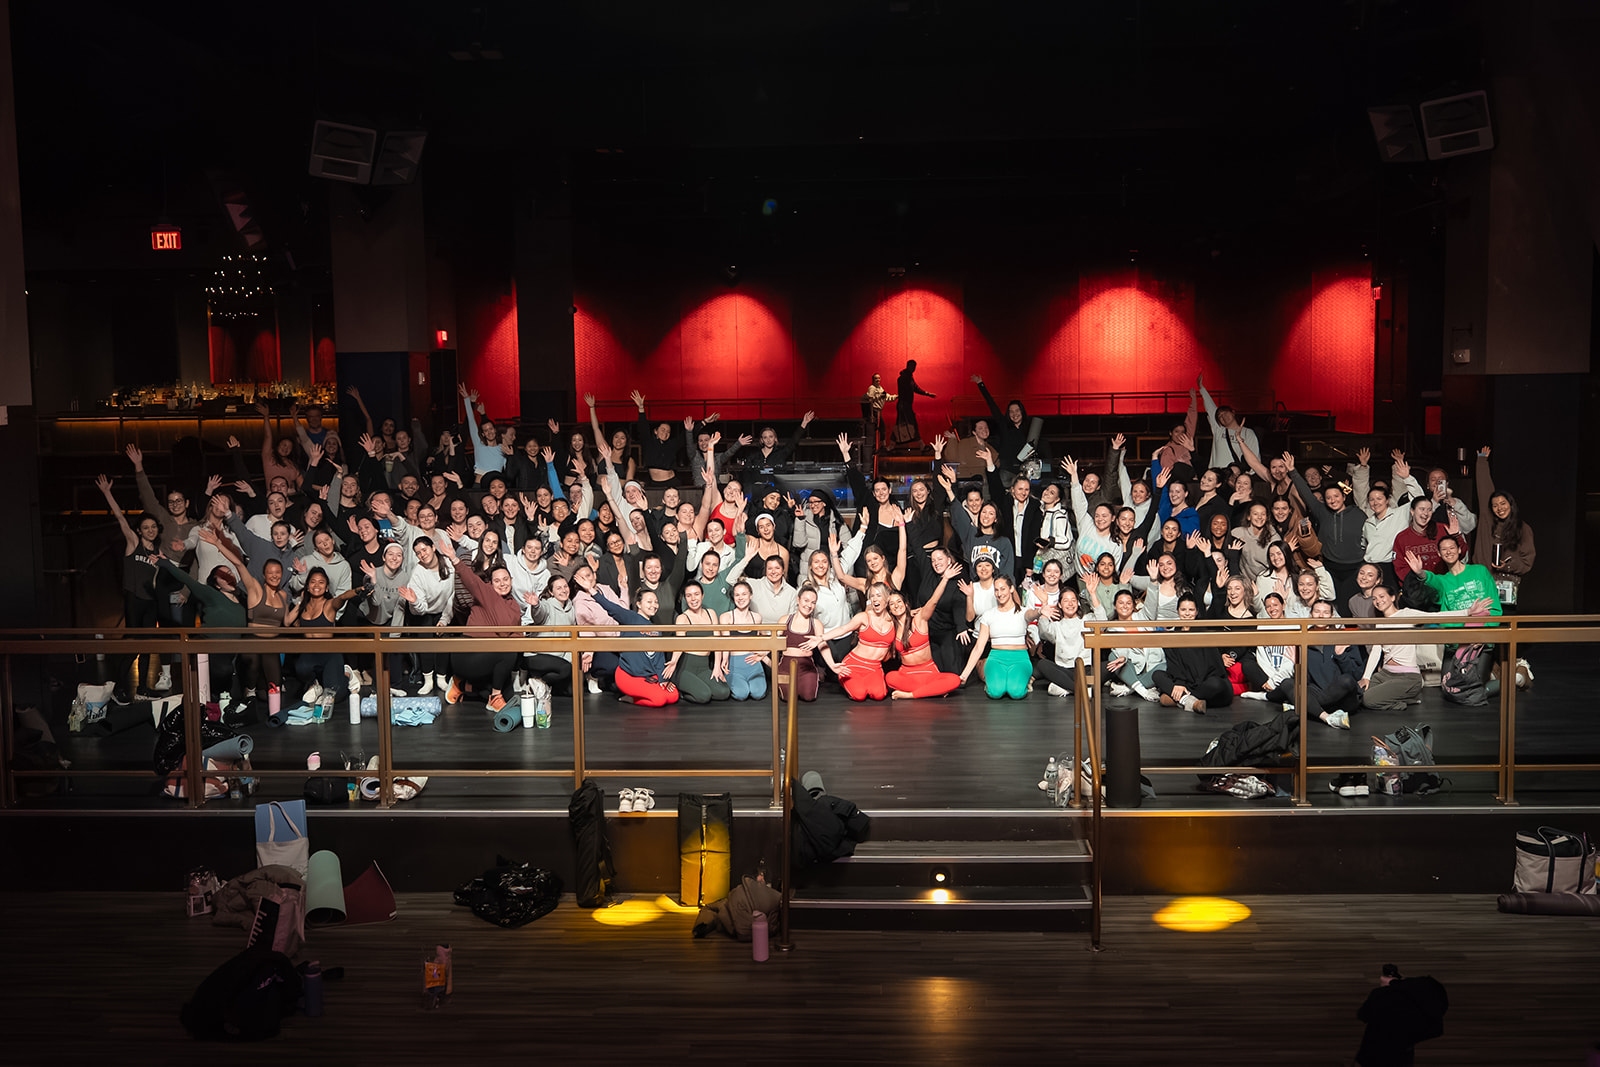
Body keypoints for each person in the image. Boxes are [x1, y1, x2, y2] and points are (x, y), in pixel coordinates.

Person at [95, 474, 165, 700]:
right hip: (134, 600)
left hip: (151, 603)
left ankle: (143, 689)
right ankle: (117, 689)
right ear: (139, 531)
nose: (150, 530)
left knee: (147, 648)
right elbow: (120, 518)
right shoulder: (134, 544)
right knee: (133, 647)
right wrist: (107, 493)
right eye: (146, 527)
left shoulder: (159, 552)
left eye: (153, 527)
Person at [433, 538, 524, 713]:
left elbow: (516, 634)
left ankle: (462, 686)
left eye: (505, 579)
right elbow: (471, 581)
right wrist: (454, 558)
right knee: (508, 652)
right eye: (497, 580)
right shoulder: (486, 593)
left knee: (507, 691)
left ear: (511, 580)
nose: (502, 583)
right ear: (490, 583)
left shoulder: (514, 605)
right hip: (467, 654)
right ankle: (494, 697)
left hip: (490, 656)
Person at [884, 565, 965, 699]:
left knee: (955, 680)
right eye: (892, 604)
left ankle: (911, 694)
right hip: (906, 675)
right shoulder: (891, 626)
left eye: (899, 601)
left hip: (928, 673)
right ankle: (931, 691)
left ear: (906, 604)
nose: (896, 605)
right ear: (890, 609)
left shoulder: (919, 619)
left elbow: (933, 602)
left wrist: (945, 579)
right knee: (890, 677)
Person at [806, 582, 897, 702]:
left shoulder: (893, 620)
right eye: (872, 596)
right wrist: (821, 638)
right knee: (859, 695)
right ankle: (846, 679)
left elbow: (906, 617)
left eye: (879, 595)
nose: (875, 599)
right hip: (855, 665)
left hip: (874, 667)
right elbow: (843, 629)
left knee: (879, 695)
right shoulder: (864, 617)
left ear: (887, 598)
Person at [1472, 446, 1534, 611]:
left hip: (1506, 588)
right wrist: (1481, 462)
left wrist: (1506, 565)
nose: (1499, 508)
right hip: (1482, 585)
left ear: (1510, 504)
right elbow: (1484, 492)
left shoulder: (1522, 529)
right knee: (1480, 625)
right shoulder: (1487, 523)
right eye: (1495, 505)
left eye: (1503, 503)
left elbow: (1527, 563)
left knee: (1506, 623)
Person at [1150, 595, 1233, 713]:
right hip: (1185, 683)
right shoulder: (1172, 636)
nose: (1187, 614)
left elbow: (1213, 667)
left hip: (1205, 683)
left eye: (1191, 610)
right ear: (1178, 611)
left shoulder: (1204, 632)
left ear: (1196, 611)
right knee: (1157, 675)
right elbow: (1173, 665)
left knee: (1216, 684)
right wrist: (1180, 683)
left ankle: (1182, 699)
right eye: (1183, 610)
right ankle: (1190, 702)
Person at [1355, 965, 1449, 1067]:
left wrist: (1385, 990)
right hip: (1404, 1051)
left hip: (1375, 1051)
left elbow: (1363, 1015)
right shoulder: (1426, 995)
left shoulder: (1382, 995)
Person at [957, 574, 1032, 699]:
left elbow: (1032, 614)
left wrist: (1041, 610)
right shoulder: (988, 615)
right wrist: (964, 676)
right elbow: (978, 647)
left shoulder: (1023, 612)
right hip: (996, 657)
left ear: (1011, 589)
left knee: (1016, 692)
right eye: (996, 590)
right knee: (995, 692)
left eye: (1003, 589)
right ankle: (991, 677)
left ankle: (1024, 680)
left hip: (1019, 657)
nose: (999, 593)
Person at [664, 581, 732, 705]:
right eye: (689, 595)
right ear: (685, 598)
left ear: (702, 595)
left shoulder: (711, 614)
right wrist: (673, 662)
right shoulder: (682, 618)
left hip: (704, 667)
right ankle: (682, 692)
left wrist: (717, 667)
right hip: (686, 668)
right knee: (704, 695)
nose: (693, 598)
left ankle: (697, 687)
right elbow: (680, 644)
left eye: (696, 594)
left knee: (723, 692)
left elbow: (717, 642)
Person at [1197, 372, 1259, 470]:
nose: (1223, 417)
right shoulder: (1219, 430)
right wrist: (1202, 388)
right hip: (1218, 474)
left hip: (1237, 474)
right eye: (1220, 416)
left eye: (1225, 413)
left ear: (1233, 412)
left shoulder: (1248, 433)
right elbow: (1211, 408)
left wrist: (1248, 474)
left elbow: (1255, 456)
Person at [720, 581, 770, 700]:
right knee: (741, 694)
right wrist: (724, 660)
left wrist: (764, 654)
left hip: (753, 663)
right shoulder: (726, 617)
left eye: (744, 594)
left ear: (750, 595)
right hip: (735, 663)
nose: (740, 598)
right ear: (733, 597)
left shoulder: (756, 618)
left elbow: (766, 640)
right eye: (737, 595)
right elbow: (725, 643)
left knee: (758, 694)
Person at [776, 587, 823, 703]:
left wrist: (832, 665)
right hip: (786, 666)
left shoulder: (816, 624)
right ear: (798, 600)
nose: (809, 605)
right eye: (806, 600)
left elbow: (823, 646)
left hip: (806, 667)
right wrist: (762, 655)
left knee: (809, 696)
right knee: (788, 698)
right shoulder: (785, 620)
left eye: (813, 602)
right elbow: (773, 643)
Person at [893, 360, 935, 446]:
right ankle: (921, 445)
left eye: (914, 367)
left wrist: (927, 393)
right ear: (908, 366)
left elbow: (915, 388)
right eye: (912, 366)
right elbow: (913, 389)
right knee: (912, 424)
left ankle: (891, 445)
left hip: (904, 405)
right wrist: (927, 394)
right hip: (905, 405)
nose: (913, 369)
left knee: (900, 425)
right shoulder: (905, 378)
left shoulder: (907, 377)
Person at [860, 373, 895, 450]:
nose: (878, 380)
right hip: (874, 411)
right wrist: (880, 396)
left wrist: (896, 396)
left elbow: (887, 397)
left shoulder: (880, 388)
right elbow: (870, 397)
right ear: (873, 380)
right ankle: (877, 446)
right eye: (876, 378)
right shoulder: (872, 388)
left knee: (880, 428)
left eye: (879, 378)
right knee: (877, 428)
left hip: (878, 411)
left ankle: (881, 445)